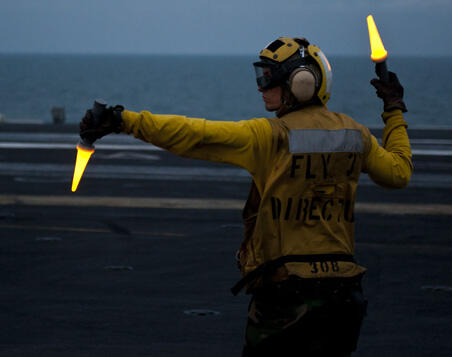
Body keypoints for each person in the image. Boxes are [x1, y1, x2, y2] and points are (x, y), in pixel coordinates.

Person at [79, 37, 412, 357]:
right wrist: (393, 110)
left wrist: (122, 121)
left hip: (286, 301)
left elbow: (194, 135)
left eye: (269, 80)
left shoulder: (270, 136)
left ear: (301, 83)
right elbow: (399, 173)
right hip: (343, 300)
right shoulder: (356, 136)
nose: (261, 89)